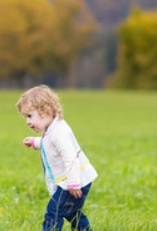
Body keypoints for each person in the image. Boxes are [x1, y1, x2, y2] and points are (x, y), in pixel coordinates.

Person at [17, 85, 98, 231]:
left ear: (46, 111)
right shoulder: (51, 129)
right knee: (71, 212)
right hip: (73, 180)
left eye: (30, 116)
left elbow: (70, 157)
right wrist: (36, 142)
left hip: (74, 181)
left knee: (54, 212)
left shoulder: (59, 132)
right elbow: (50, 145)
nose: (27, 122)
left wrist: (73, 184)